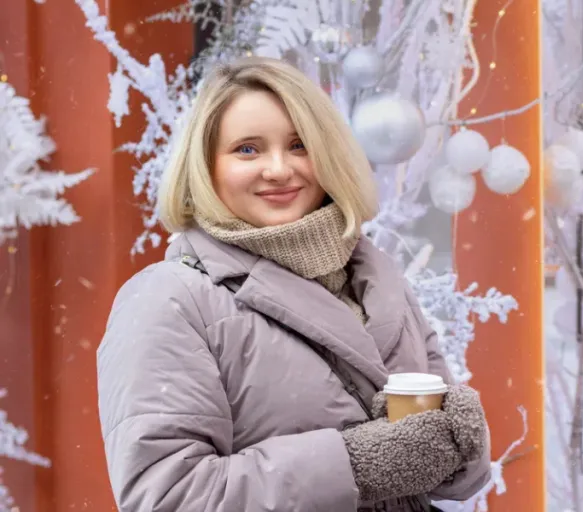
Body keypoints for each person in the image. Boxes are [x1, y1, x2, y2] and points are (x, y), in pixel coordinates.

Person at [96, 56, 492, 511]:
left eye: (300, 145)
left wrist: (461, 441)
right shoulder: (170, 300)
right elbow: (168, 497)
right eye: (247, 149)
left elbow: (453, 478)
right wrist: (356, 466)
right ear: (205, 166)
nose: (279, 169)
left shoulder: (379, 277)